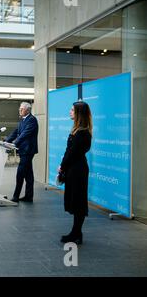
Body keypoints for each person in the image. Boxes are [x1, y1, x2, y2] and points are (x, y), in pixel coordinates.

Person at [58, 101, 92, 245]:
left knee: (78, 202)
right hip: (74, 168)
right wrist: (63, 166)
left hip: (77, 170)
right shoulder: (77, 131)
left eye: (72, 110)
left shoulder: (82, 133)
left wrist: (63, 166)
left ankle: (76, 233)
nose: (70, 112)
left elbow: (72, 153)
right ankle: (76, 232)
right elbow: (69, 151)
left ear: (78, 113)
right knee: (75, 201)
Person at [5, 102, 39, 203]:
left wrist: (15, 143)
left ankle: (16, 196)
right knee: (28, 174)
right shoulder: (23, 120)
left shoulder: (32, 120)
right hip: (23, 150)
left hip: (28, 151)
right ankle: (29, 196)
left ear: (27, 110)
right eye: (19, 109)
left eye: (22, 109)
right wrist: (6, 141)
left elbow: (24, 134)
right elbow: (16, 132)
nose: (19, 110)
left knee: (20, 173)